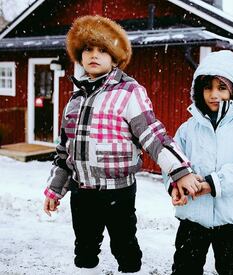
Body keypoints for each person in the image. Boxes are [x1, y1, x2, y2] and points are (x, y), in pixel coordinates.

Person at [42, 15, 201, 274]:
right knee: (84, 247)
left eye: (103, 50)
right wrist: (54, 189)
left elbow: (153, 134)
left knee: (124, 245)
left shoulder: (129, 92)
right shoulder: (74, 100)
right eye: (88, 50)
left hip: (118, 192)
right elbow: (64, 152)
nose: (94, 55)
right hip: (82, 193)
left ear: (116, 57)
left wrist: (179, 170)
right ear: (80, 57)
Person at [164, 50, 233, 275]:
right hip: (193, 216)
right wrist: (175, 186)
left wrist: (212, 183)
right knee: (185, 268)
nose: (213, 94)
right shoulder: (187, 129)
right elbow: (173, 165)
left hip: (231, 219)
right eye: (208, 87)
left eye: (222, 87)